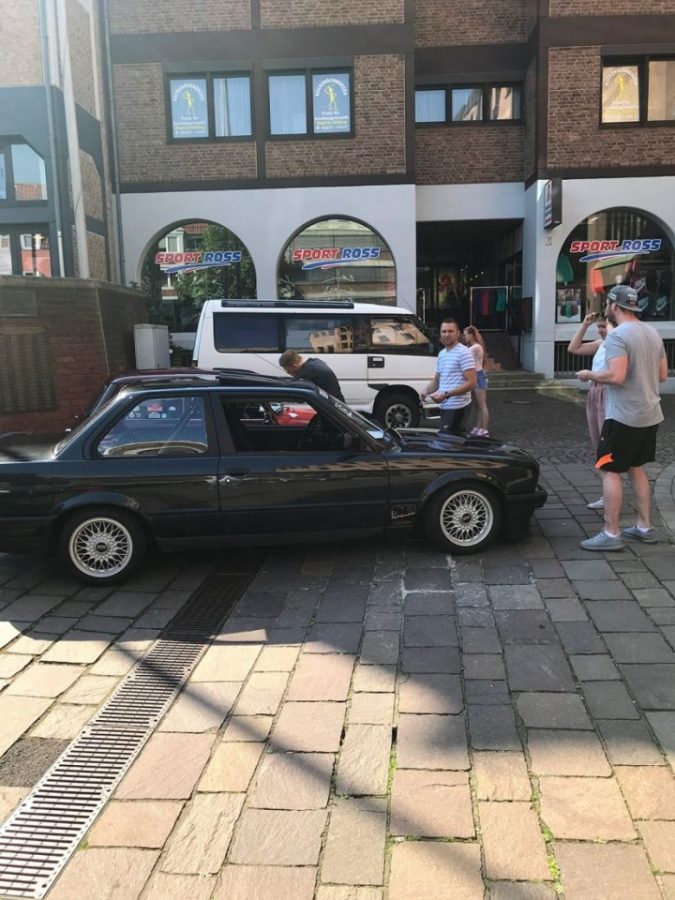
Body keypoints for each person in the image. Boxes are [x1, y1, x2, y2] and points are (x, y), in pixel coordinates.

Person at [576, 285, 667, 552]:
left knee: (609, 469)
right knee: (637, 468)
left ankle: (611, 532)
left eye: (607, 303)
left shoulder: (618, 337)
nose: (605, 308)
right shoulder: (652, 332)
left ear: (615, 305)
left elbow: (616, 376)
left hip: (623, 415)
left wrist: (590, 375)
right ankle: (643, 526)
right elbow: (662, 375)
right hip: (650, 414)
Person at [567, 312, 611, 509]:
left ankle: (611, 494)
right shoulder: (600, 343)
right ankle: (607, 493)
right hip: (595, 390)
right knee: (597, 443)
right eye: (599, 327)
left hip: (607, 391)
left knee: (606, 444)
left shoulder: (618, 344)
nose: (601, 330)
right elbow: (573, 348)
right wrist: (585, 324)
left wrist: (591, 374)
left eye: (604, 326)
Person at [421, 318, 476, 435]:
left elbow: (471, 382)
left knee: (452, 443)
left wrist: (446, 395)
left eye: (450, 331)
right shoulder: (442, 354)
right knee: (449, 443)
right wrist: (426, 390)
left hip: (458, 406)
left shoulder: (464, 353)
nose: (446, 334)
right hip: (445, 406)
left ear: (458, 333)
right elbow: (437, 380)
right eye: (444, 331)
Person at [278, 349, 345, 401]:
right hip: (336, 402)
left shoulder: (306, 372)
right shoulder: (315, 361)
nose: (288, 372)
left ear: (294, 366)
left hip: (333, 407)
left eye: (288, 370)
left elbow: (292, 387)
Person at [463, 325, 490, 437]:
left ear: (471, 335)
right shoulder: (472, 347)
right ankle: (478, 427)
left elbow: (463, 354)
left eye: (465, 335)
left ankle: (484, 429)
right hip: (475, 376)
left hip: (478, 376)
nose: (464, 337)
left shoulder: (475, 347)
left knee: (482, 405)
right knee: (477, 405)